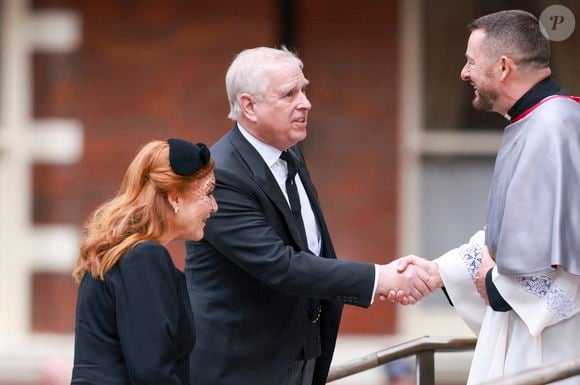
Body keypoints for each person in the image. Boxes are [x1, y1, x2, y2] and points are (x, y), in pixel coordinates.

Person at [184, 47, 436, 385]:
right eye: (289, 94)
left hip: (302, 355)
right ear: (248, 106)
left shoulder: (289, 152)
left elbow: (313, 248)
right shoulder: (223, 175)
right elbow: (280, 264)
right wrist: (380, 279)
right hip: (242, 367)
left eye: (304, 89)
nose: (305, 103)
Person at [395, 9, 580, 384]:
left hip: (554, 343)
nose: (463, 73)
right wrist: (440, 272)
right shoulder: (534, 120)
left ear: (503, 67)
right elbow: (518, 232)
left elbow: (562, 251)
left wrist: (496, 283)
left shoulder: (555, 127)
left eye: (470, 62)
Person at [71, 139, 217, 384]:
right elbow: (152, 372)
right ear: (175, 198)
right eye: (209, 192)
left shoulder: (126, 254)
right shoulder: (143, 258)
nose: (215, 206)